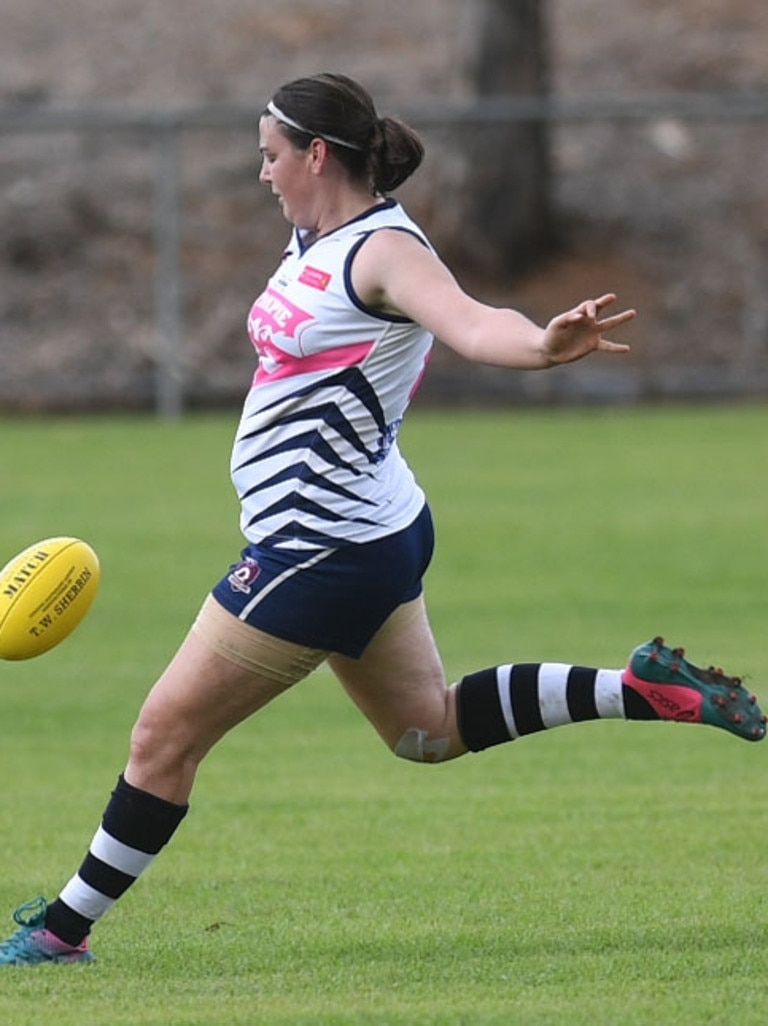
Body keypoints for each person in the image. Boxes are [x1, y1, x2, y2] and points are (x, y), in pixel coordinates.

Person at [1, 72, 764, 967]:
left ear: (317, 154)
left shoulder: (386, 254)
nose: (262, 173)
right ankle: (636, 690)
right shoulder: (315, 234)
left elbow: (475, 326)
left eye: (270, 155)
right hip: (367, 530)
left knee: (162, 738)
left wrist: (544, 345)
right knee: (426, 730)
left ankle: (62, 929)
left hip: (318, 550)